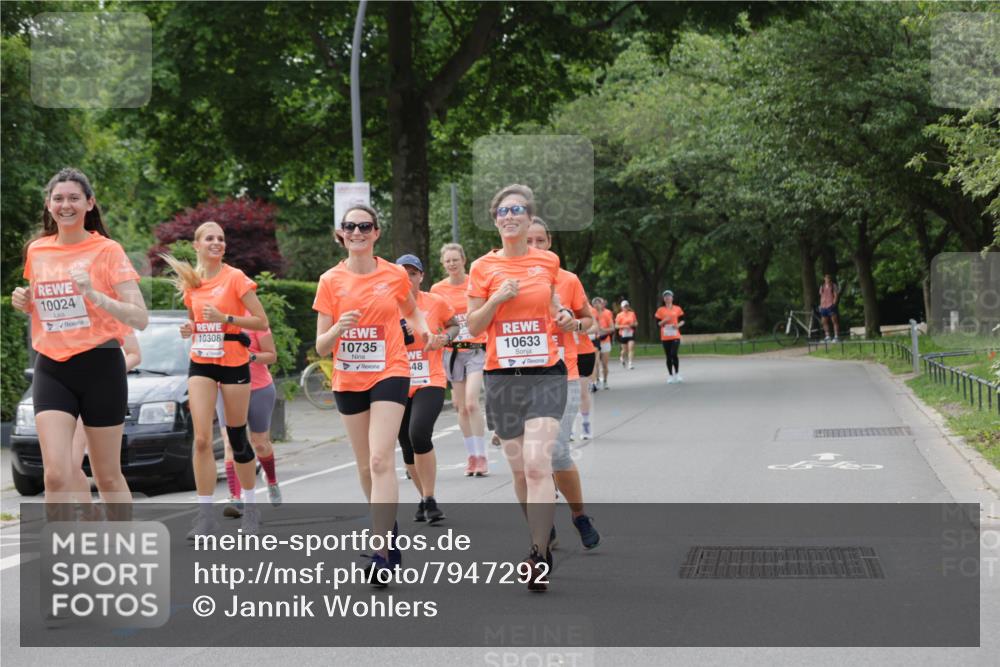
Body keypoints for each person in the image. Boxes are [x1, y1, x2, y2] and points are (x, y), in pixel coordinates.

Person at [11, 168, 148, 517]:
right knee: (56, 475)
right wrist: (28, 304)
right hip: (53, 366)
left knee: (107, 477)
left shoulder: (108, 251)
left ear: (89, 203)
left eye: (74, 198)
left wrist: (94, 294)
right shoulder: (37, 251)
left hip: (101, 365)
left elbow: (139, 317)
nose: (65, 205)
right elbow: (48, 308)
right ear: (48, 204)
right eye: (58, 198)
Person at [313, 204, 429, 583]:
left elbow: (413, 313)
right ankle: (388, 531)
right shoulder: (330, 280)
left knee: (381, 460)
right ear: (341, 233)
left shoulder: (395, 275)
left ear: (377, 232)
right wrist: (339, 329)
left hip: (390, 371)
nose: (357, 232)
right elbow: (321, 346)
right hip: (348, 379)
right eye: (350, 226)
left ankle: (379, 550)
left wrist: (420, 332)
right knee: (364, 466)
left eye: (365, 226)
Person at [467, 184, 573, 591]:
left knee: (536, 464)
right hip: (501, 379)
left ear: (529, 219)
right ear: (495, 221)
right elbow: (473, 326)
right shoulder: (482, 268)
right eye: (502, 211)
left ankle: (538, 552)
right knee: (519, 473)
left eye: (518, 210)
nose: (510, 216)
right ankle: (539, 537)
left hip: (545, 373)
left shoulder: (547, 262)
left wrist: (563, 318)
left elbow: (552, 306)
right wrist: (496, 300)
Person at [161, 222, 269, 537]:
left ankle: (251, 509)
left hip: (234, 361)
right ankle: (205, 516)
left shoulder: (235, 278)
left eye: (221, 238)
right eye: (210, 238)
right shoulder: (191, 284)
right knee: (201, 439)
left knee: (237, 438)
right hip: (202, 362)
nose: (217, 243)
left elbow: (261, 321)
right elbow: (196, 322)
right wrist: (189, 329)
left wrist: (227, 319)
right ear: (196, 245)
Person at [526, 218, 601, 550]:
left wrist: (575, 322)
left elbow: (590, 319)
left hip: (563, 374)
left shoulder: (567, 280)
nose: (535, 247)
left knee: (556, 452)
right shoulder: (507, 280)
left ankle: (579, 514)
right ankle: (544, 529)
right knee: (528, 459)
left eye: (540, 240)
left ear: (550, 242)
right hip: (518, 378)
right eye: (529, 241)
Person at [396, 254, 459, 523]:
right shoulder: (385, 306)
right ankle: (424, 498)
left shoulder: (435, 302)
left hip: (429, 378)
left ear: (421, 276)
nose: (408, 278)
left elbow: (455, 325)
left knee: (419, 432)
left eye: (413, 273)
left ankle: (430, 498)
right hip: (396, 380)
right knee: (406, 444)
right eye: (403, 273)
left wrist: (444, 338)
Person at [431, 243, 489, 476]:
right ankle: (472, 456)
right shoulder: (437, 289)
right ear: (443, 264)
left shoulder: (474, 284)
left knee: (472, 402)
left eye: (456, 259)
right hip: (453, 352)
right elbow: (435, 318)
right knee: (460, 407)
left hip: (475, 349)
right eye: (448, 261)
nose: (452, 264)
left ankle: (482, 456)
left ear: (464, 260)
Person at [68, 331, 141, 514]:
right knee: (69, 464)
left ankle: (118, 521)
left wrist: (109, 374)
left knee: (107, 474)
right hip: (70, 393)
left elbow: (135, 354)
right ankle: (88, 512)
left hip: (102, 393)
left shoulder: (107, 314)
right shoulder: (67, 314)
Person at [218, 322, 282, 518]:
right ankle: (235, 498)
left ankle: (271, 480)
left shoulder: (254, 321)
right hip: (226, 388)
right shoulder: (217, 320)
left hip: (259, 388)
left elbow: (271, 355)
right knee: (230, 443)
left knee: (260, 444)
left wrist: (250, 357)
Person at [655, 290, 686, 383]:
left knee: (674, 354)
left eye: (669, 296)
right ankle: (670, 375)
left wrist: (678, 325)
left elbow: (683, 320)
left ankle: (677, 374)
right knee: (668, 356)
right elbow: (658, 324)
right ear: (663, 299)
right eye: (665, 296)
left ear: (672, 298)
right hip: (665, 336)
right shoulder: (660, 310)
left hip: (675, 335)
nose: (667, 298)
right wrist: (664, 320)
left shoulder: (677, 309)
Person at [591, 297, 614, 390]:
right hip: (595, 340)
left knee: (604, 364)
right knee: (595, 363)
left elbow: (612, 328)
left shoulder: (607, 314)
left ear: (602, 304)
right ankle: (596, 380)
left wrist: (602, 330)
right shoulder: (590, 314)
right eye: (595, 303)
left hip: (605, 340)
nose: (597, 304)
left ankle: (605, 381)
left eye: (598, 303)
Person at [616, 300, 638, 370]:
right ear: (622, 307)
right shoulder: (619, 315)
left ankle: (630, 363)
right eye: (624, 306)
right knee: (624, 350)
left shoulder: (632, 314)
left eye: (627, 306)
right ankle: (621, 357)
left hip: (630, 333)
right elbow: (616, 326)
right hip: (623, 334)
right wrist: (624, 326)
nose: (626, 307)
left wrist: (633, 325)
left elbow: (636, 323)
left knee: (631, 348)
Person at [819, 274, 840, 342]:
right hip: (823, 306)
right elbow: (821, 295)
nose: (827, 279)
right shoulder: (822, 286)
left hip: (830, 305)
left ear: (830, 279)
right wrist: (821, 305)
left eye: (828, 278)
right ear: (824, 278)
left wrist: (834, 304)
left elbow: (836, 295)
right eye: (826, 278)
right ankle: (827, 336)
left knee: (834, 321)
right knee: (824, 322)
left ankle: (836, 336)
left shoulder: (833, 285)